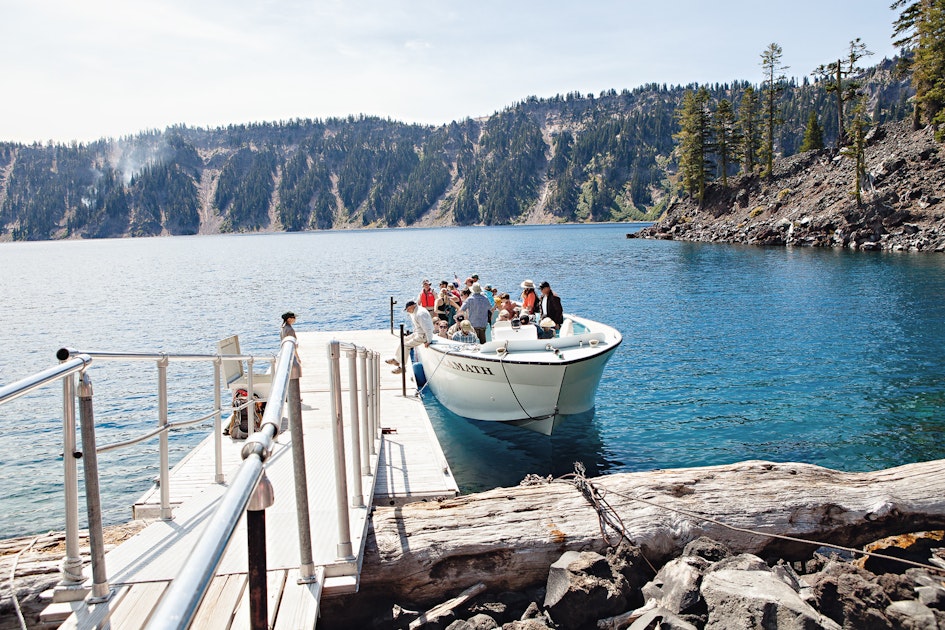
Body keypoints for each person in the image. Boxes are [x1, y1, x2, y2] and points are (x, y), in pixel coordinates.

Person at [386, 300, 435, 374]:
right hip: (418, 333)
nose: (408, 311)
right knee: (404, 340)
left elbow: (428, 328)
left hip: (423, 335)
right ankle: (397, 360)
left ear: (412, 306)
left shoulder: (420, 314)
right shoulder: (415, 311)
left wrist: (428, 341)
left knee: (406, 346)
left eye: (408, 309)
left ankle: (402, 367)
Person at [281, 311, 302, 377]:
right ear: (289, 319)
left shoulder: (283, 327)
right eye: (294, 317)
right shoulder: (290, 330)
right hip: (290, 352)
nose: (295, 319)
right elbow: (292, 345)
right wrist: (297, 357)